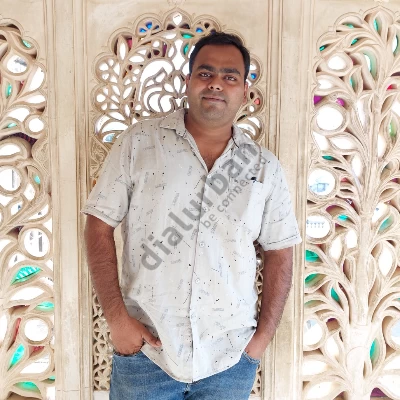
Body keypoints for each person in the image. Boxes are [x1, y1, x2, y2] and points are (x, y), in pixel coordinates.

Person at [83, 32, 301, 400]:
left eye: (230, 76)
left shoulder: (264, 167)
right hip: (146, 355)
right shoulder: (139, 143)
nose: (216, 83)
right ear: (188, 82)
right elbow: (98, 225)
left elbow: (280, 251)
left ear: (245, 92)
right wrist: (118, 320)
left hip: (229, 361)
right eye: (205, 73)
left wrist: (261, 340)